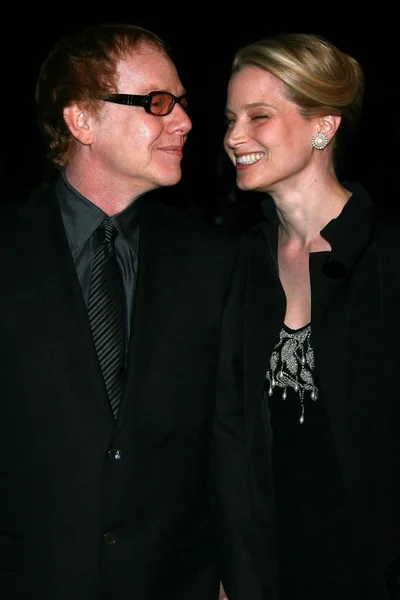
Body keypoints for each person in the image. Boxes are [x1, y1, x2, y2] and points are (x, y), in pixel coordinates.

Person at [0, 22, 242, 600]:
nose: (183, 121)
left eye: (182, 103)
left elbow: (232, 446)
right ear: (81, 120)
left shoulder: (217, 262)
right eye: (157, 103)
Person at [218, 32, 400, 599]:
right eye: (230, 118)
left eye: (258, 116)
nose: (232, 137)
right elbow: (226, 443)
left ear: (324, 126)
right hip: (269, 575)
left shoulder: (388, 259)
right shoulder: (237, 264)